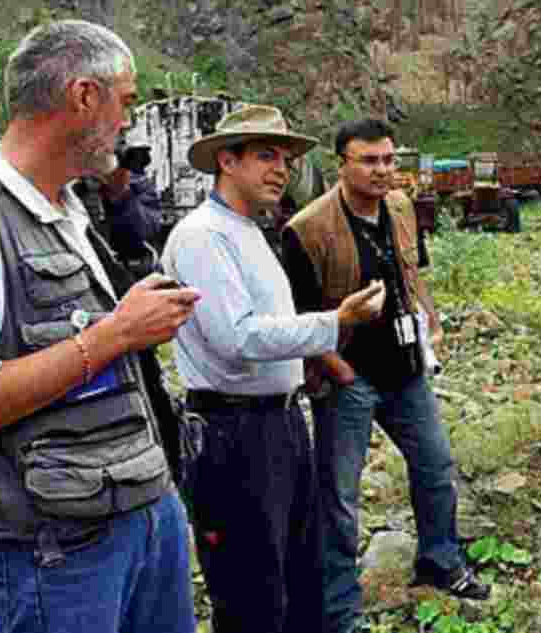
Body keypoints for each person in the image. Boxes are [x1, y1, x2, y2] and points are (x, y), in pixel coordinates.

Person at [0, 19, 203, 633]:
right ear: (83, 97)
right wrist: (116, 334)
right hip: (57, 553)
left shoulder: (71, 209)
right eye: (125, 101)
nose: (129, 122)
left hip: (146, 511)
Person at [160, 104, 385, 633]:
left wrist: (307, 362)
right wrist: (334, 323)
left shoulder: (247, 231)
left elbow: (267, 326)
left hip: (278, 423)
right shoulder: (202, 236)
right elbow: (238, 337)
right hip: (233, 432)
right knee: (251, 591)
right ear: (227, 161)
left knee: (297, 573)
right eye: (265, 156)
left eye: (284, 158)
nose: (281, 169)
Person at [281, 118, 490, 633]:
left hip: (406, 370)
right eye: (369, 161)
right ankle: (341, 612)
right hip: (350, 379)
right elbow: (299, 316)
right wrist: (339, 370)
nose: (382, 171)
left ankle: (441, 563)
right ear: (342, 164)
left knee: (436, 468)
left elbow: (411, 274)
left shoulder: (400, 207)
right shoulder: (307, 229)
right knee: (339, 499)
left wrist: (430, 327)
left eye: (388, 160)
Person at [73, 141, 163, 275]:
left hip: (129, 267)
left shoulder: (136, 184)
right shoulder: (78, 190)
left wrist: (122, 194)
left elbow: (148, 228)